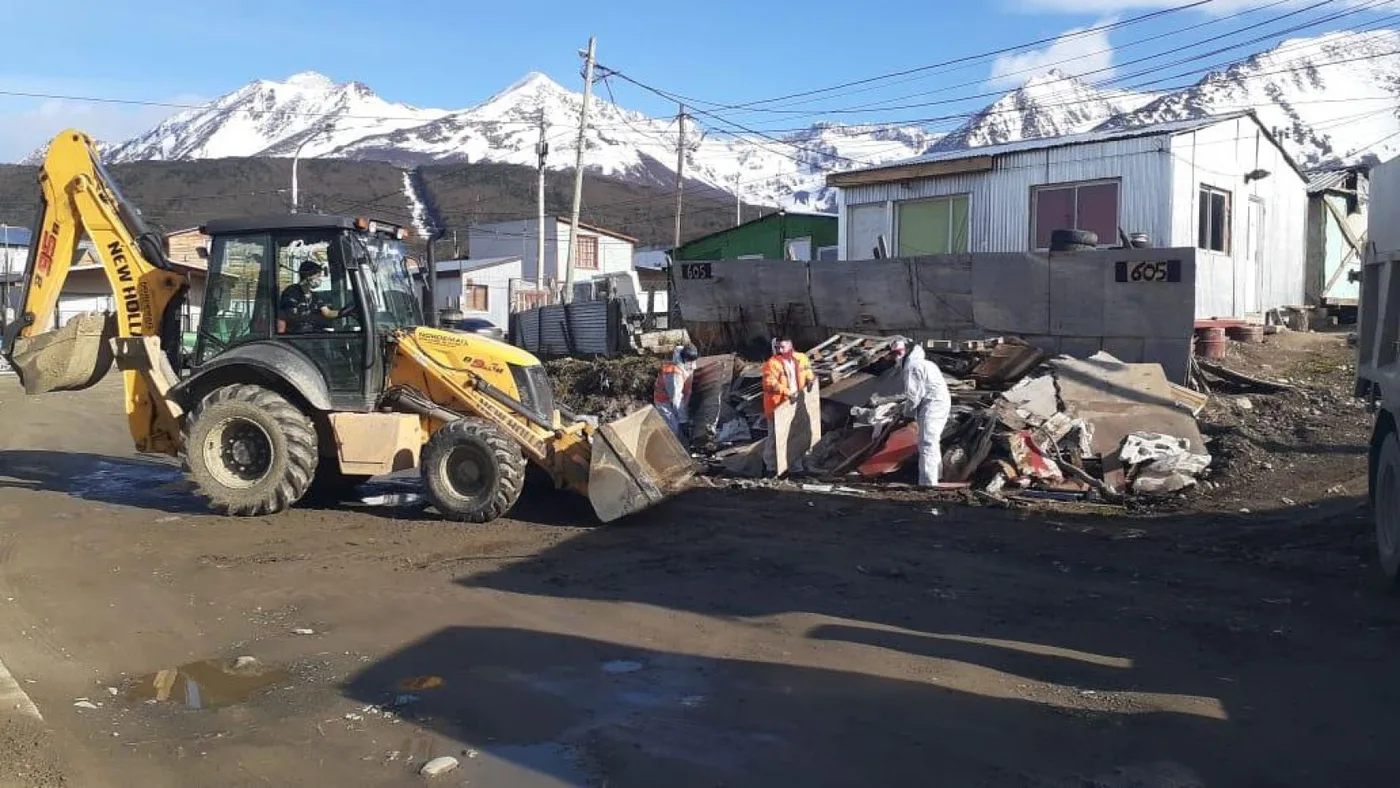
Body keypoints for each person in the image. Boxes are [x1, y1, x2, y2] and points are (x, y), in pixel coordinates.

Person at [888, 336, 952, 487]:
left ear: (907, 350)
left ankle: (928, 484)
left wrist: (907, 416)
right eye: (894, 353)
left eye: (899, 352)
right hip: (938, 403)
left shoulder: (912, 367)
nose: (897, 356)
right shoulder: (925, 363)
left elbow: (913, 396)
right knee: (932, 441)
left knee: (927, 443)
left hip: (932, 404)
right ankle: (936, 477)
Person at [760, 336, 816, 476]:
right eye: (777, 347)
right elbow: (769, 383)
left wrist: (810, 379)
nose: (779, 350)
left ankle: (796, 468)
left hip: (796, 405)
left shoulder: (801, 358)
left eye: (782, 347)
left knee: (796, 437)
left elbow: (807, 370)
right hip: (778, 406)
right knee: (775, 439)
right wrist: (788, 393)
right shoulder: (772, 364)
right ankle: (771, 468)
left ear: (790, 346)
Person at [278, 259, 354, 334]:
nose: (319, 280)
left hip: (310, 332)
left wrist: (344, 312)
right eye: (317, 276)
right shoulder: (292, 292)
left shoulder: (314, 296)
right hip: (296, 335)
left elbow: (327, 313)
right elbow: (288, 315)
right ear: (308, 276)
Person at [654, 343, 699, 439]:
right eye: (689, 361)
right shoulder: (673, 374)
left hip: (677, 394)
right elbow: (676, 399)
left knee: (680, 418)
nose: (692, 364)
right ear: (684, 359)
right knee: (674, 429)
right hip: (664, 401)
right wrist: (683, 420)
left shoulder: (685, 354)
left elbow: (691, 368)